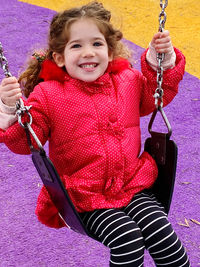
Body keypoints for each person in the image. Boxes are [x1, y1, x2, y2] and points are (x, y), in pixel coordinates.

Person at [0, 2, 190, 266]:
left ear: (110, 52)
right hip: (84, 197)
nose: (88, 53)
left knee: (163, 235)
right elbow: (26, 143)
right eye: (76, 46)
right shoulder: (49, 95)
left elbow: (156, 96)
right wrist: (10, 108)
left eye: (97, 44)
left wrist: (161, 60)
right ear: (59, 57)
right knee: (127, 238)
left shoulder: (128, 81)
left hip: (131, 184)